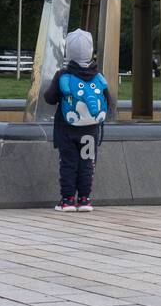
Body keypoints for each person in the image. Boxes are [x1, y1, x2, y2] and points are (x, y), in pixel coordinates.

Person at [41, 28, 110, 212]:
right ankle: (85, 199)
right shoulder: (98, 76)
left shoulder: (63, 75)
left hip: (67, 130)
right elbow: (108, 101)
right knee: (87, 163)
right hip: (91, 131)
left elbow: (50, 98)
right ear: (90, 51)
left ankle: (67, 200)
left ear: (68, 51)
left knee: (69, 163)